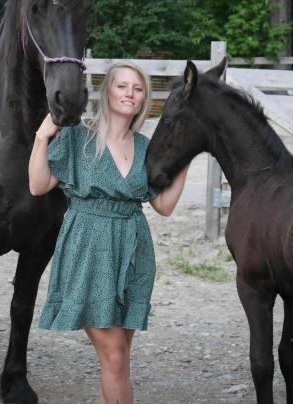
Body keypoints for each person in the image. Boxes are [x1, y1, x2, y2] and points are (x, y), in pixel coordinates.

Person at [28, 61, 189, 404]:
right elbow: (38, 185)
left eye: (138, 88)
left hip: (132, 252)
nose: (130, 93)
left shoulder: (147, 147)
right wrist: (42, 136)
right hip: (88, 249)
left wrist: (184, 162)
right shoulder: (77, 136)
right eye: (122, 86)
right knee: (114, 357)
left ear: (144, 98)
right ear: (107, 92)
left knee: (117, 361)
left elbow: (164, 206)